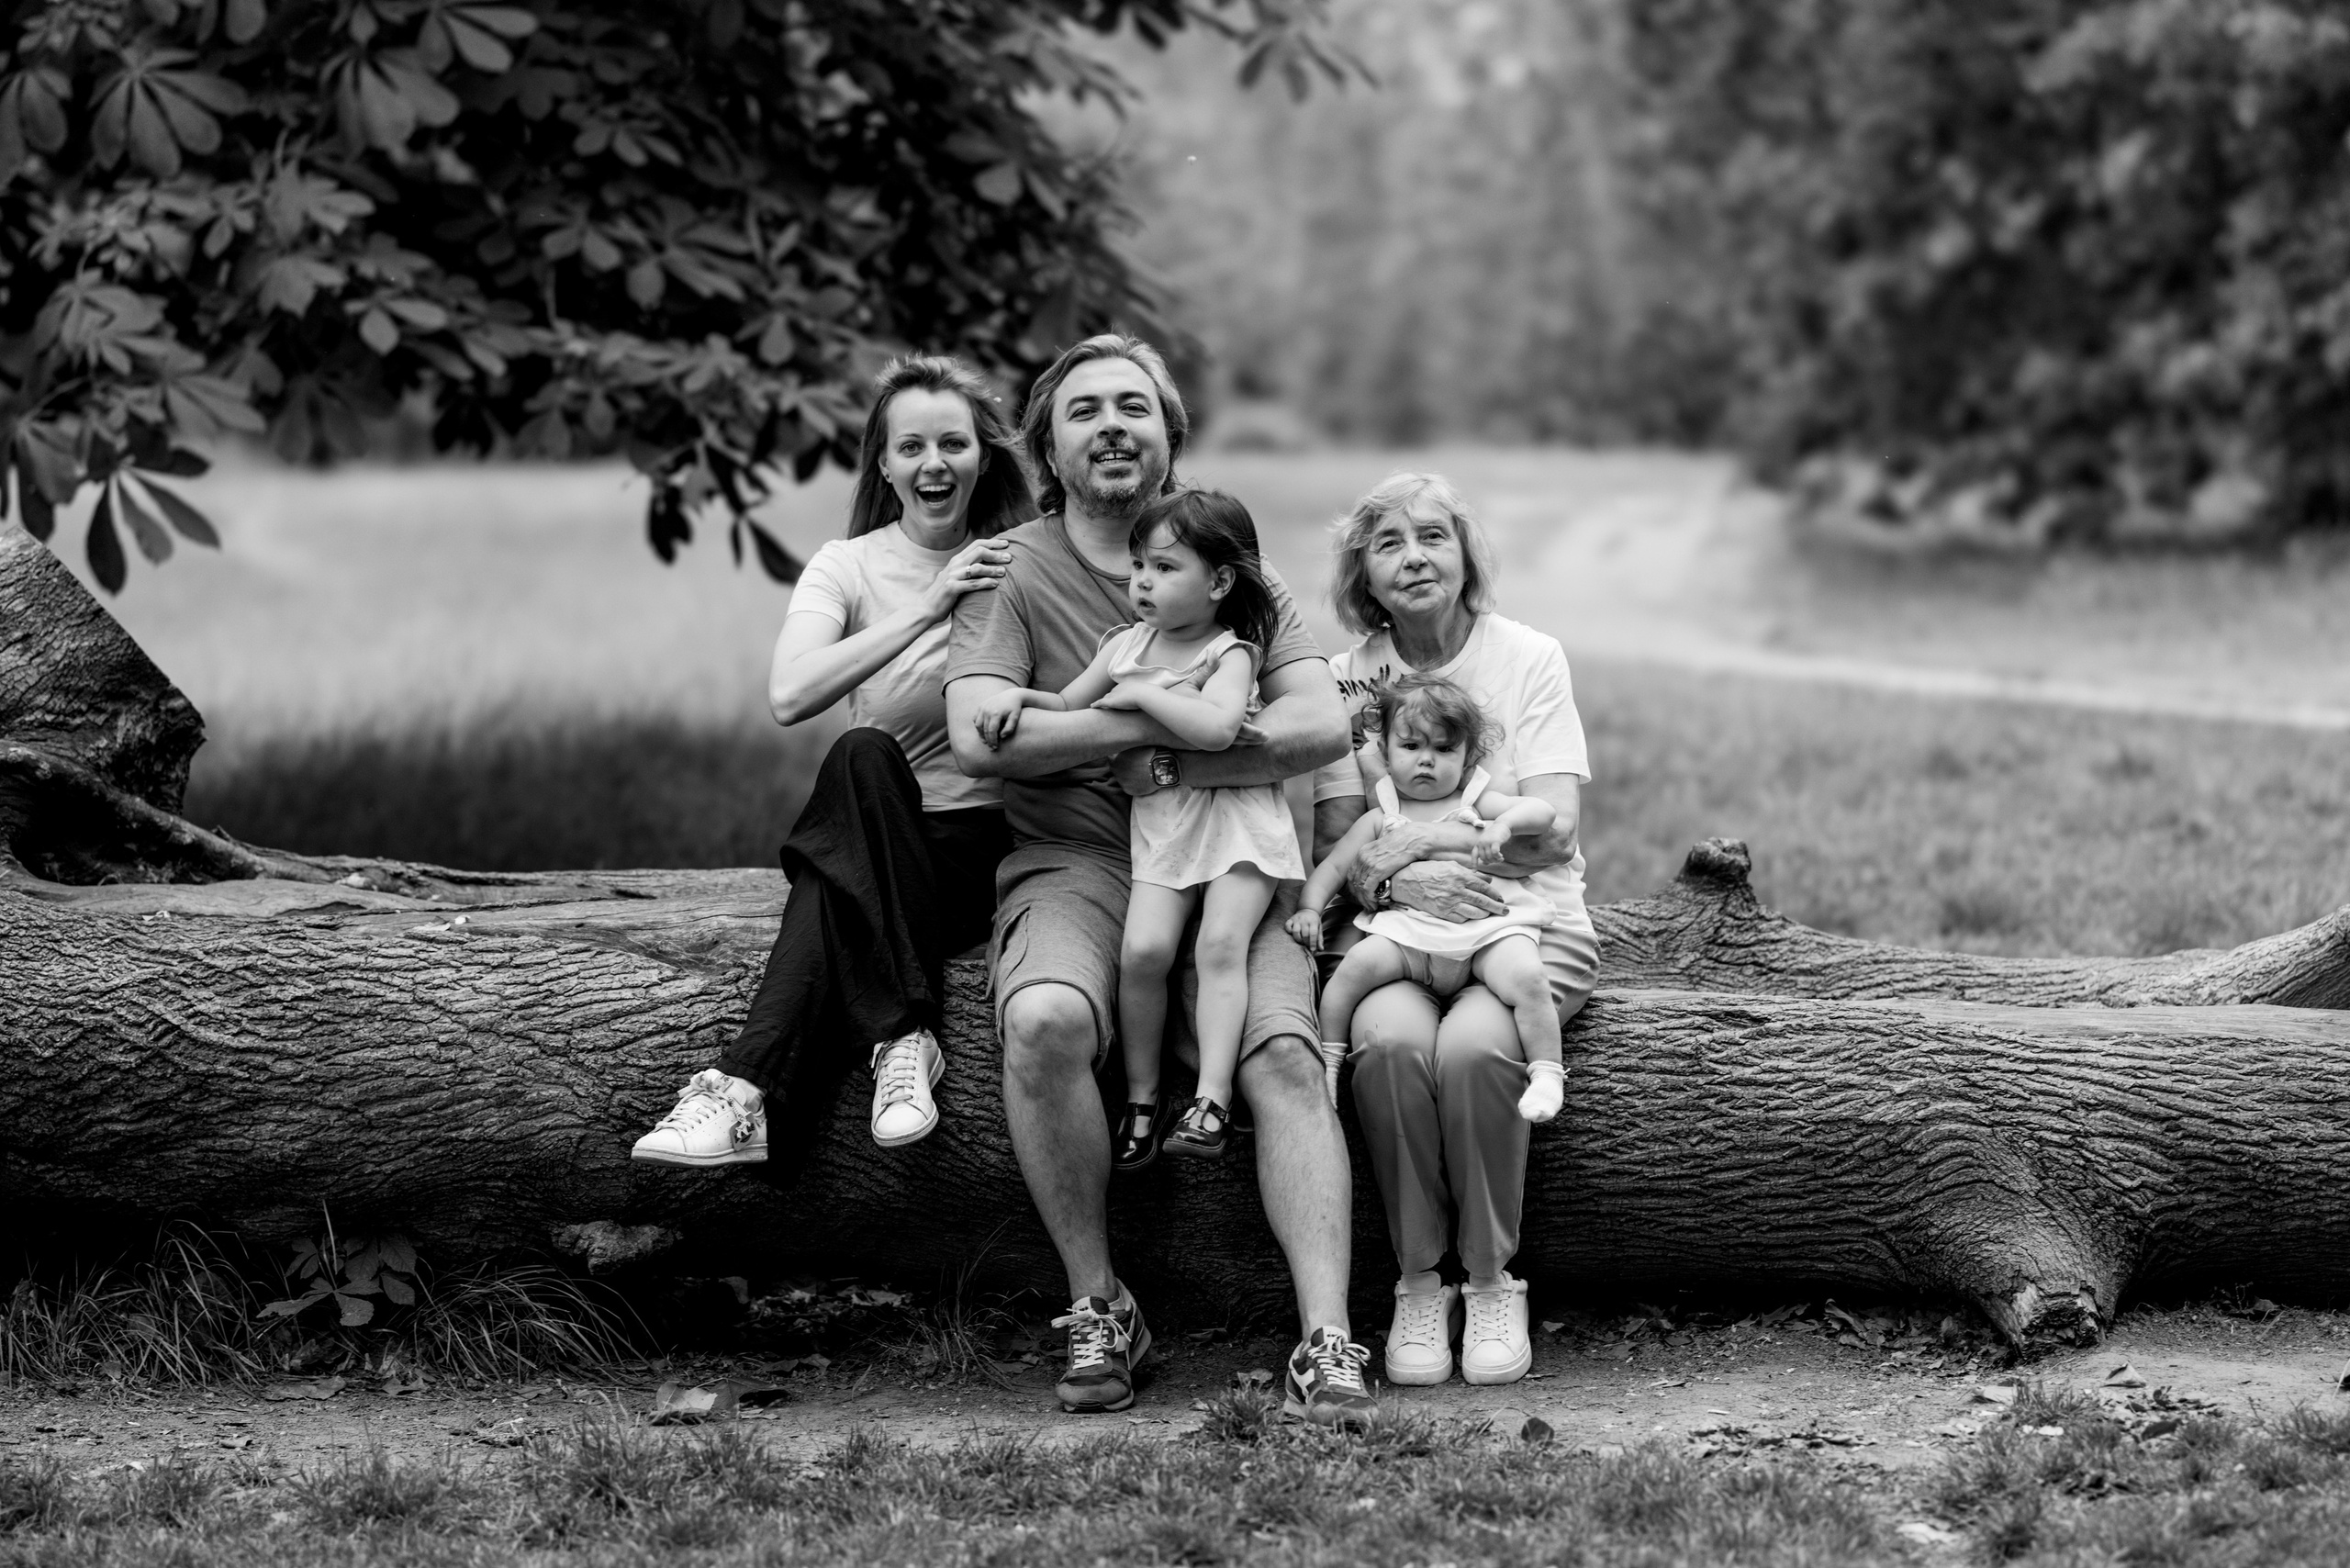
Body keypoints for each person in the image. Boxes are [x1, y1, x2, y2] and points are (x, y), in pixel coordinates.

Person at [945, 333, 1375, 1428]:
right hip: (1080, 860)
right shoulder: (1017, 567)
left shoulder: (1231, 559)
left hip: (1227, 852)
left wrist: (1173, 759)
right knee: (1041, 1020)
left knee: (1284, 1051)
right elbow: (979, 738)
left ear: (1170, 430)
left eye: (1134, 406)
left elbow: (1319, 722)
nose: (1112, 426)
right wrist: (1135, 723)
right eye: (1083, 409)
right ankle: (1099, 1306)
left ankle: (1325, 1337)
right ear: (1047, 439)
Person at [630, 353, 1032, 1170]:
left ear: (982, 456)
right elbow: (790, 693)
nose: (933, 464)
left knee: (830, 870)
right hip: (885, 839)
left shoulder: (1020, 560)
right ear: (883, 463)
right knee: (863, 756)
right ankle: (904, 1037)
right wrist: (928, 607)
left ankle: (741, 1094)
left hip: (983, 849)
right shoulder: (845, 566)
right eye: (910, 446)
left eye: (953, 443)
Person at [1311, 472, 1597, 1390]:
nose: (1415, 556)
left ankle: (1490, 1277)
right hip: (1394, 926)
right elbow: (1339, 846)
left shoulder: (1530, 656)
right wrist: (1400, 870)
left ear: (1465, 552)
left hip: (1523, 921)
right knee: (1389, 1042)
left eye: (1433, 535)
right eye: (1389, 542)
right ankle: (1417, 1281)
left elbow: (1555, 823)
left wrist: (1430, 846)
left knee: (1477, 1047)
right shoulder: (1346, 679)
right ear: (1364, 570)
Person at [975, 488, 1304, 1168]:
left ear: (1219, 582)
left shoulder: (1229, 653)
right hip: (1164, 830)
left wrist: (1146, 695)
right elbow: (1069, 706)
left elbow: (1216, 731)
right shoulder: (1124, 645)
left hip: (1238, 828)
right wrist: (1016, 696)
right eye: (1138, 567)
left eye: (1163, 569)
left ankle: (1212, 1101)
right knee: (1143, 953)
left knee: (1219, 945)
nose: (1142, 582)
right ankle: (1144, 1100)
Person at [1287, 674, 1564, 1125]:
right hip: (1408, 938)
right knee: (1351, 972)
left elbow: (1545, 812)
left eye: (1444, 749)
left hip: (1485, 933)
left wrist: (1502, 826)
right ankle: (1328, 1065)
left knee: (1529, 978)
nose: (1427, 761)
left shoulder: (1475, 802)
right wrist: (1308, 908)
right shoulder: (1382, 817)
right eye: (1412, 747)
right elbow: (1337, 868)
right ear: (1386, 751)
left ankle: (1547, 1074)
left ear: (1467, 755)